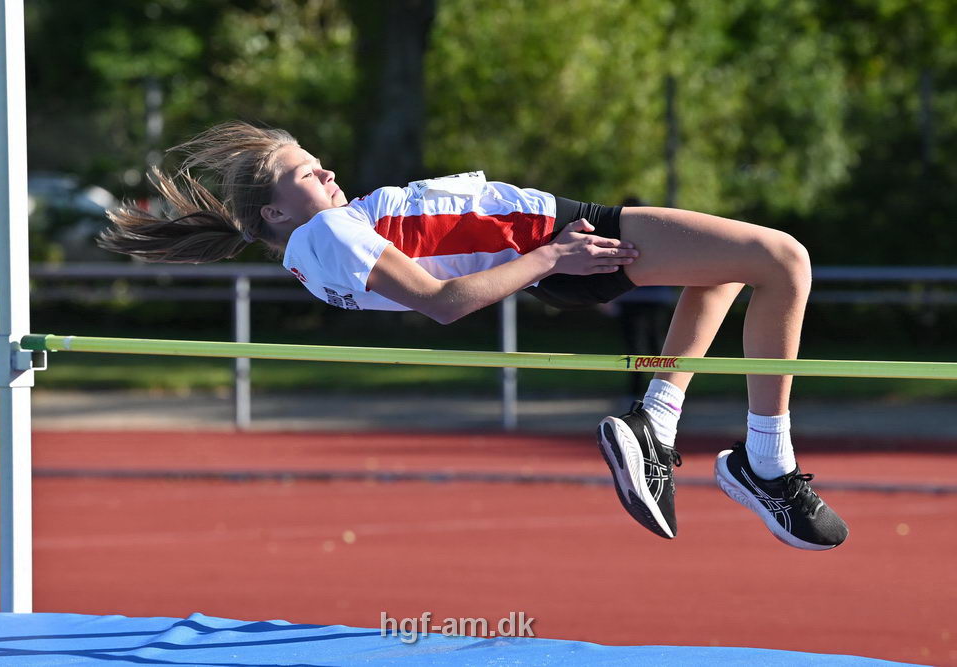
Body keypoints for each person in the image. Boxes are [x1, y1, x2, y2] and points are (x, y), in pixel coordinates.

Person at [99, 121, 848, 550]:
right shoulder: (325, 236)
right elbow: (443, 302)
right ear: (272, 214)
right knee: (784, 259)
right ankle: (766, 464)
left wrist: (548, 254)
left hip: (556, 235)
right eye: (302, 171)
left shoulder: (318, 243)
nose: (324, 170)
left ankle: (660, 423)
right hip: (562, 235)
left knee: (726, 268)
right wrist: (553, 254)